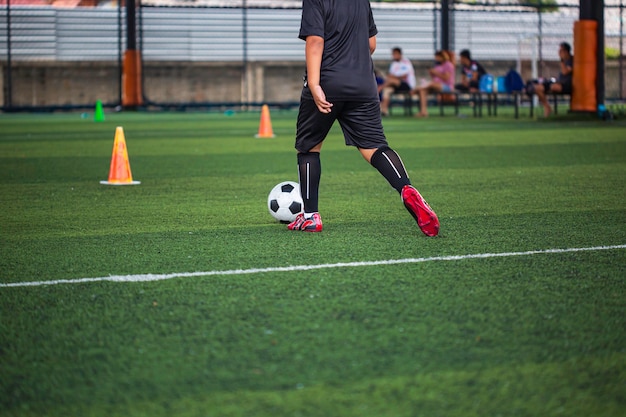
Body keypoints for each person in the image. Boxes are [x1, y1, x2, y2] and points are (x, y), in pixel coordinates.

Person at [288, 0, 439, 237]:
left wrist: (315, 84)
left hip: (328, 81)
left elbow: (315, 40)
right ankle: (406, 188)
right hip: (363, 84)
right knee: (375, 146)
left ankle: (310, 216)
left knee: (309, 147)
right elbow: (371, 44)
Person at [529, 42, 573, 117]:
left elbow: (565, 72)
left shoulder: (572, 61)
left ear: (566, 51)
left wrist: (562, 60)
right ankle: (547, 107)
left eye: (561, 51)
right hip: (558, 82)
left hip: (565, 85)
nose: (559, 53)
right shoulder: (565, 61)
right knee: (538, 88)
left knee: (554, 87)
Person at [411, 50, 456, 117]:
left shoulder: (448, 65)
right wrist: (432, 73)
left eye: (437, 57)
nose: (436, 59)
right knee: (422, 91)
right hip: (436, 86)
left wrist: (436, 73)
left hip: (447, 86)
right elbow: (435, 78)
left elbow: (446, 78)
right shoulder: (437, 65)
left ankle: (418, 88)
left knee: (431, 84)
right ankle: (423, 111)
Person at [378, 47, 417, 116]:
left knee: (392, 81)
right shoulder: (393, 64)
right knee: (387, 90)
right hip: (395, 84)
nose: (393, 56)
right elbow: (390, 76)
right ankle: (384, 111)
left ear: (399, 54)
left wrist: (393, 77)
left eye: (395, 54)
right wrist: (393, 77)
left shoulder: (406, 62)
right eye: (393, 54)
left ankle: (379, 88)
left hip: (406, 84)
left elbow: (403, 76)